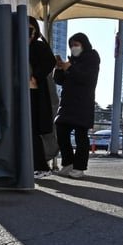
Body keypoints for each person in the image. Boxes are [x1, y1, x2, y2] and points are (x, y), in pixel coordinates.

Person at [52, 32, 100, 179]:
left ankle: (79, 167)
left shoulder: (92, 58)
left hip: (83, 103)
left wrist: (70, 69)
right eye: (71, 45)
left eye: (76, 45)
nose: (74, 48)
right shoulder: (70, 61)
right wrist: (59, 68)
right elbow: (59, 80)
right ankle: (68, 163)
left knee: (81, 136)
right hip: (67, 102)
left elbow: (87, 78)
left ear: (84, 45)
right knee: (61, 131)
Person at [28, 17, 57, 178]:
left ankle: (41, 166)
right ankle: (37, 166)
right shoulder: (17, 45)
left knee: (33, 130)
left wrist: (36, 76)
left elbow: (50, 61)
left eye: (32, 29)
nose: (30, 33)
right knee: (29, 130)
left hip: (36, 94)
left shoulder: (39, 46)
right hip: (26, 94)